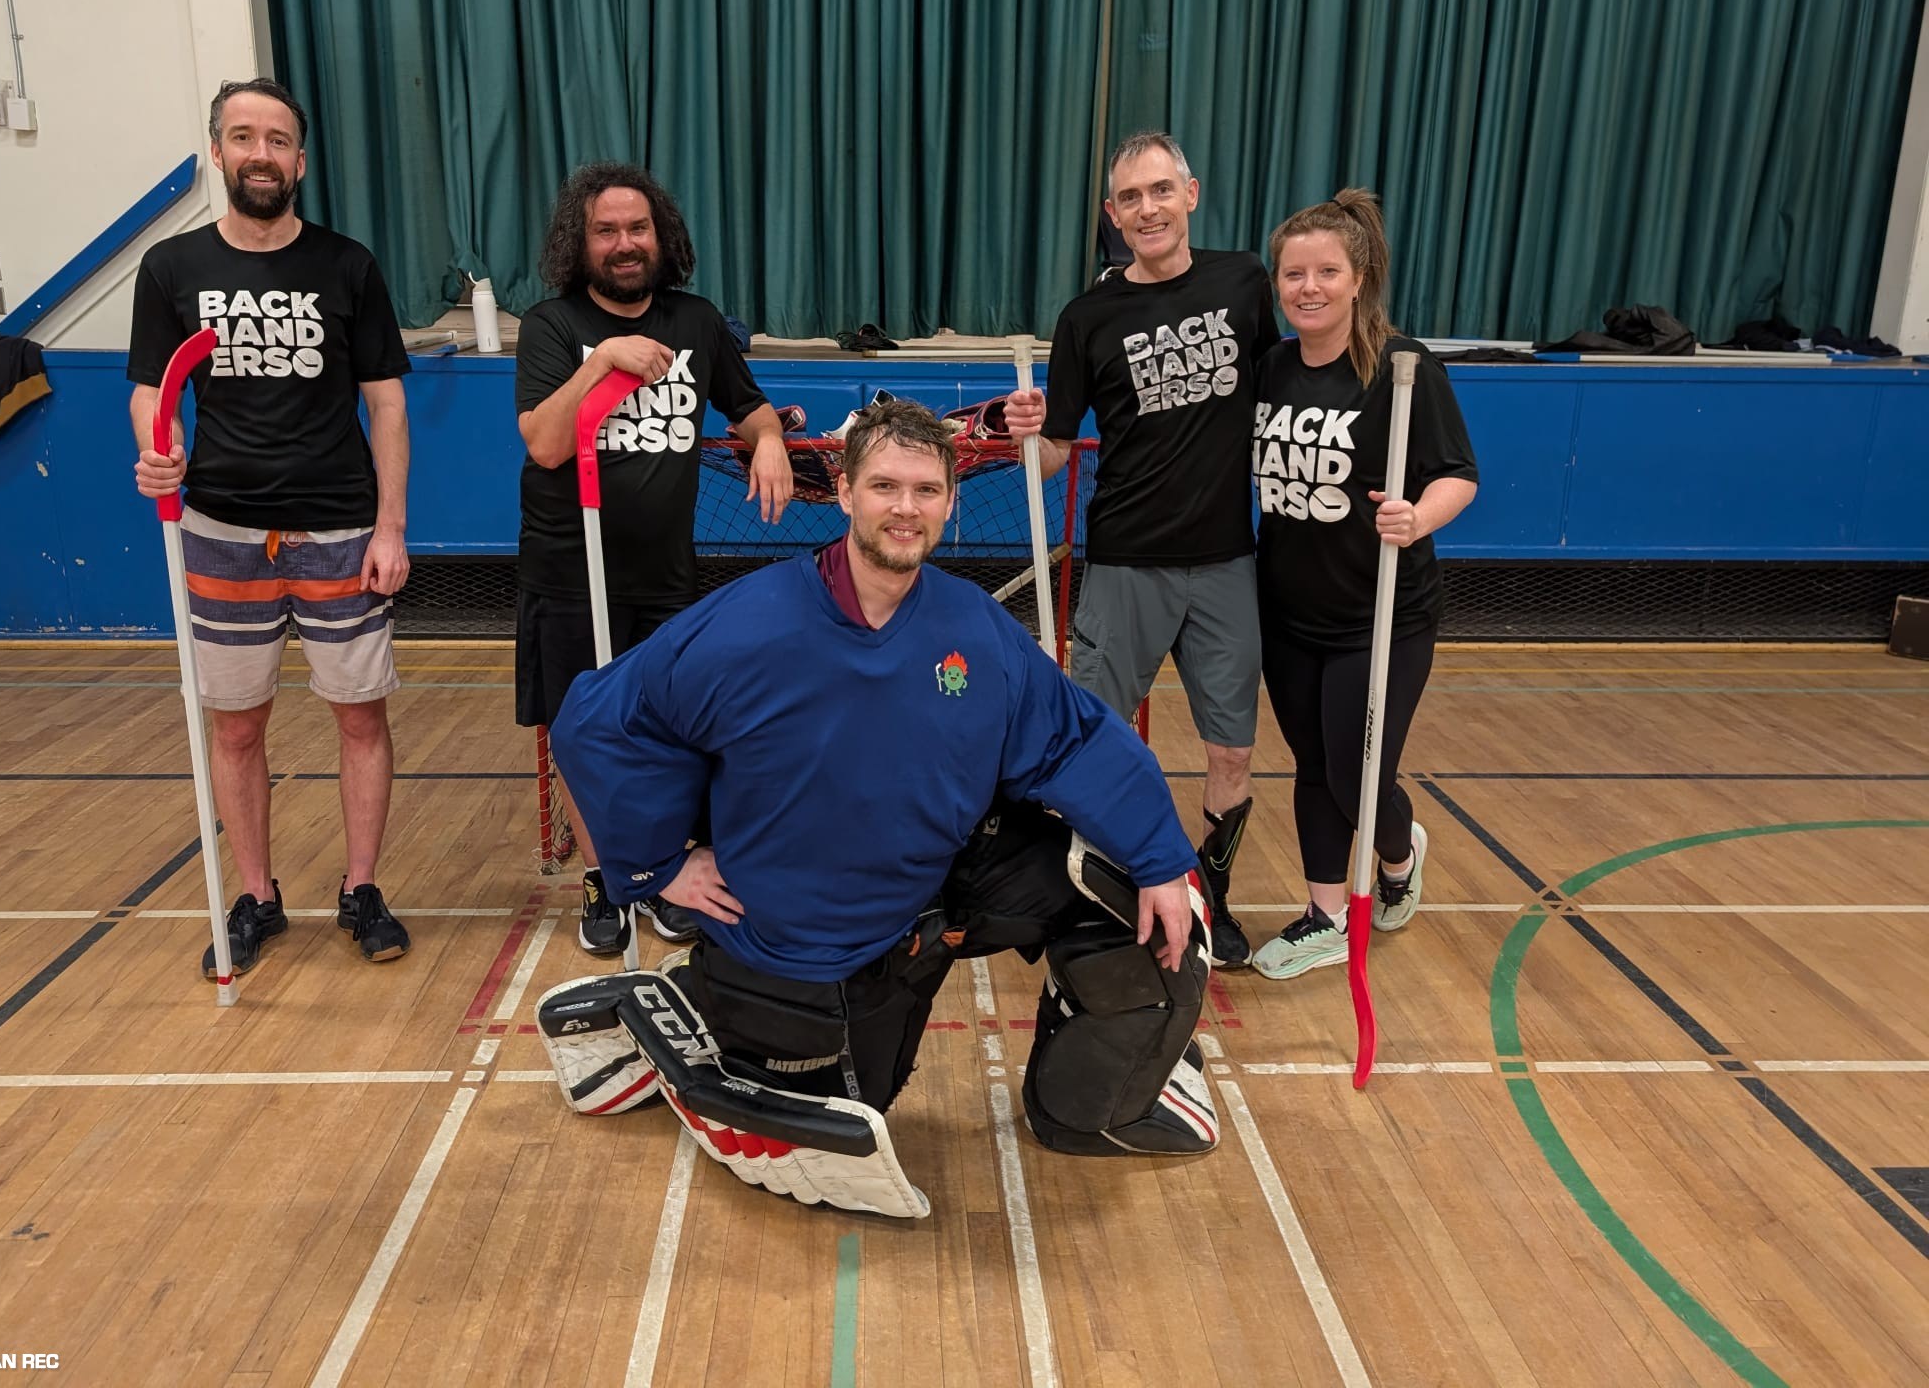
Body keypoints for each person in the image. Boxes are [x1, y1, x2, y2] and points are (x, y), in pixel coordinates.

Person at [533, 399, 1217, 1218]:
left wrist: (1161, 859)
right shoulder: (747, 626)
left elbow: (1074, 739)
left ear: (951, 502)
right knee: (862, 1103)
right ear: (848, 492)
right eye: (885, 486)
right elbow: (593, 722)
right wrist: (655, 866)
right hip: (807, 926)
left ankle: (1094, 1109)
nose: (905, 507)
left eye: (925, 490)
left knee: (1146, 899)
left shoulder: (972, 624)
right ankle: (692, 1009)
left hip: (942, 877)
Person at [129, 77, 413, 976]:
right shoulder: (173, 270)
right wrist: (158, 454)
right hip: (221, 530)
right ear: (218, 151)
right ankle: (256, 896)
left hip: (337, 527)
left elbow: (388, 406)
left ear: (300, 160)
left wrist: (389, 527)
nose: (261, 153)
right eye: (243, 136)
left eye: (278, 139)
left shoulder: (346, 265)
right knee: (237, 727)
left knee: (359, 718)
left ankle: (361, 889)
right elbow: (151, 391)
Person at [1004, 130, 1281, 969]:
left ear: (1190, 195)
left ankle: (1212, 900)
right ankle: (1100, 899)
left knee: (1231, 748)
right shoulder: (1088, 316)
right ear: (1112, 216)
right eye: (1130, 198)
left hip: (1228, 561)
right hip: (1124, 561)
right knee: (1096, 737)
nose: (1148, 209)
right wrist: (1023, 433)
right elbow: (1054, 449)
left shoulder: (1247, 283)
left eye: (1161, 190)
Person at [514, 161, 792, 957]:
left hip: (666, 574)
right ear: (582, 240)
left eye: (638, 228)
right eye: (607, 230)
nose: (625, 243)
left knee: (672, 728)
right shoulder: (552, 327)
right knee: (581, 730)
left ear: (661, 236)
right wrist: (601, 362)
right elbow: (545, 442)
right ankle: (607, 883)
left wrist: (768, 440)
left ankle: (660, 870)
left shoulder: (696, 321)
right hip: (571, 571)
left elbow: (748, 407)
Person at [1248, 188, 1478, 979]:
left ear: (1358, 276)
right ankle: (1322, 916)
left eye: (1325, 272)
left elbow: (1459, 474)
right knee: (1313, 765)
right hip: (1287, 613)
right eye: (1292, 274)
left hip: (1380, 615)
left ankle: (1395, 853)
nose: (1307, 288)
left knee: (1357, 771)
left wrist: (1416, 517)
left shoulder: (1401, 368)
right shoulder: (1271, 367)